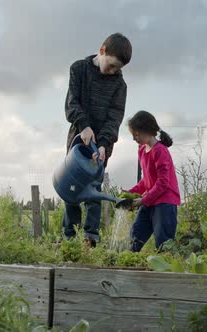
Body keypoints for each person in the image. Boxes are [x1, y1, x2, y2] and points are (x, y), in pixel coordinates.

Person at [62, 33, 132, 248]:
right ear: (102, 51)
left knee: (94, 189)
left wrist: (103, 144)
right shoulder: (79, 69)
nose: (112, 71)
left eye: (117, 69)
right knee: (71, 189)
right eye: (110, 66)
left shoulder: (120, 86)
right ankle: (69, 239)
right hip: (78, 137)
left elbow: (114, 118)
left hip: (101, 145)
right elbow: (71, 103)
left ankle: (90, 240)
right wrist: (84, 125)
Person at [124, 111, 181, 252]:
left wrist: (143, 200)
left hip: (165, 202)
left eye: (136, 134)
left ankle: (165, 271)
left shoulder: (160, 151)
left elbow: (163, 183)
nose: (134, 138)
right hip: (151, 200)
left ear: (147, 130)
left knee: (164, 244)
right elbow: (146, 179)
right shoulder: (142, 151)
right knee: (135, 236)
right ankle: (127, 267)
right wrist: (130, 193)